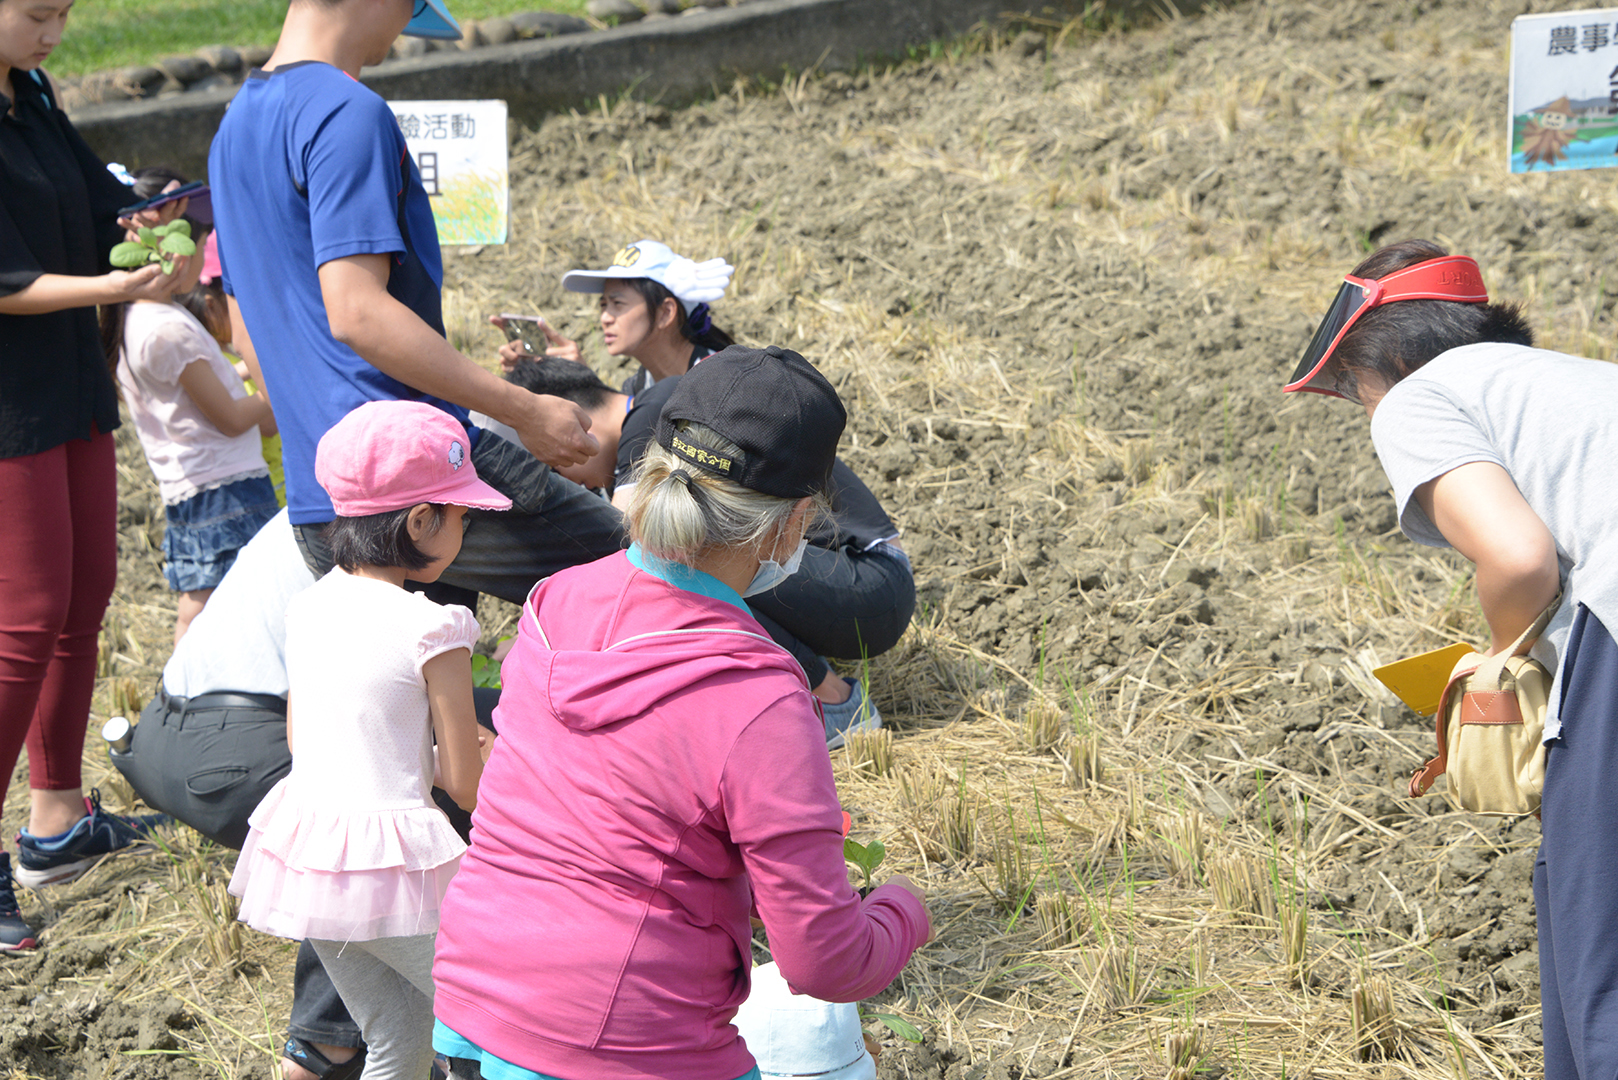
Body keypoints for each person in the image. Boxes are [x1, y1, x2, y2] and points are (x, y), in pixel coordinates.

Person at [432, 345, 931, 1080]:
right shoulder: (760, 698)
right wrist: (901, 911)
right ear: (792, 525)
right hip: (622, 1046)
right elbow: (827, 963)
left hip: (468, 1013)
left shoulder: (554, 603)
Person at [1284, 239, 1618, 1080]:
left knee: (1599, 939)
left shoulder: (1417, 397)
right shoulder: (1574, 382)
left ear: (1386, 358)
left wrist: (1500, 667)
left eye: (1355, 388)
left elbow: (1518, 560)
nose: (1365, 413)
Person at [208, 0, 624, 608]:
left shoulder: (232, 129)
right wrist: (525, 410)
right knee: (657, 577)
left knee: (420, 693)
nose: (404, 27)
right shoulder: (345, 111)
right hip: (420, 473)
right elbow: (358, 313)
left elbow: (245, 336)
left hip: (323, 499)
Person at [231, 400, 504, 1080]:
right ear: (421, 521)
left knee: (398, 1038)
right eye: (461, 515)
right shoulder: (434, 628)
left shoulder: (310, 605)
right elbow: (466, 787)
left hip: (314, 866)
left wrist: (422, 755)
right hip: (399, 875)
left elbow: (305, 738)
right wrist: (480, 755)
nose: (464, 528)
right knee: (500, 1020)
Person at [0, 0, 180, 951]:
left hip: (69, 387)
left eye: (65, 12)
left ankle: (56, 824)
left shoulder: (29, 93)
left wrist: (155, 222)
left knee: (84, 601)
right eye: (37, 12)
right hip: (8, 409)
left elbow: (97, 196)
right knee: (23, 621)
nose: (54, 32)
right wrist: (121, 287)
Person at [502, 356, 914, 746]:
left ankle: (834, 702)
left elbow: (631, 537)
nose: (567, 478)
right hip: (843, 579)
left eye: (555, 464)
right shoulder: (665, 405)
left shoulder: (648, 419)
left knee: (693, 555)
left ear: (573, 417)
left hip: (874, 584)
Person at [103, 167, 278, 643]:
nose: (203, 267)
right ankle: (184, 700)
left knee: (205, 605)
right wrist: (279, 387)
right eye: (200, 249)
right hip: (226, 488)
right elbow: (231, 417)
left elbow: (201, 391)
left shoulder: (138, 318)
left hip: (196, 485)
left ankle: (183, 702)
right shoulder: (167, 329)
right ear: (170, 251)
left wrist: (246, 378)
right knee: (212, 609)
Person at [493, 239, 736, 397]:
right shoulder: (639, 386)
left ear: (666, 313)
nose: (605, 318)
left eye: (618, 304)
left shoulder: (720, 383)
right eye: (603, 305)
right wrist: (574, 378)